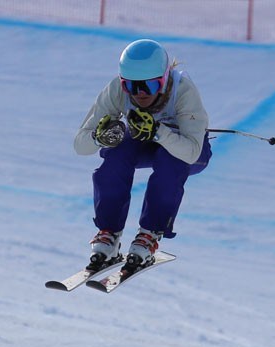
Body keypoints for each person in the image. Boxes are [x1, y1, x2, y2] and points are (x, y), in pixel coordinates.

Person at [74, 38, 212, 270]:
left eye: (149, 86)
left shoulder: (183, 91)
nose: (140, 95)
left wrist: (159, 132)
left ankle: (150, 233)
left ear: (165, 79)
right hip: (146, 140)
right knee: (116, 153)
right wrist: (99, 137)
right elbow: (80, 145)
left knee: (170, 161)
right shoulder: (117, 91)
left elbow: (190, 153)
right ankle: (109, 233)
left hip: (188, 150)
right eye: (131, 86)